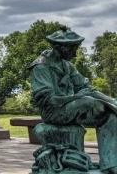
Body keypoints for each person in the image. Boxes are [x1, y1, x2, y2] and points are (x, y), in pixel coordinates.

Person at [30, 29, 117, 173]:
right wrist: (77, 97)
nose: (75, 53)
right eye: (73, 49)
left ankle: (111, 163)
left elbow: (86, 87)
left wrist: (112, 101)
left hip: (70, 107)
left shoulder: (67, 65)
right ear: (61, 47)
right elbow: (50, 101)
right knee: (92, 104)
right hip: (54, 112)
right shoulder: (41, 66)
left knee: (111, 113)